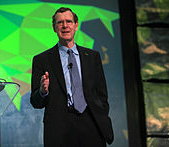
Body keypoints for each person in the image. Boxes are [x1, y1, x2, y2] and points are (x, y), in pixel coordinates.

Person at [30, 7, 114, 147]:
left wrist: (100, 116)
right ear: (54, 28)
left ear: (76, 26)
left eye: (69, 21)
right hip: (59, 128)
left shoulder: (92, 57)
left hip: (92, 124)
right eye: (60, 22)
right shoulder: (42, 59)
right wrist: (42, 92)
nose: (65, 26)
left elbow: (102, 94)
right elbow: (35, 101)